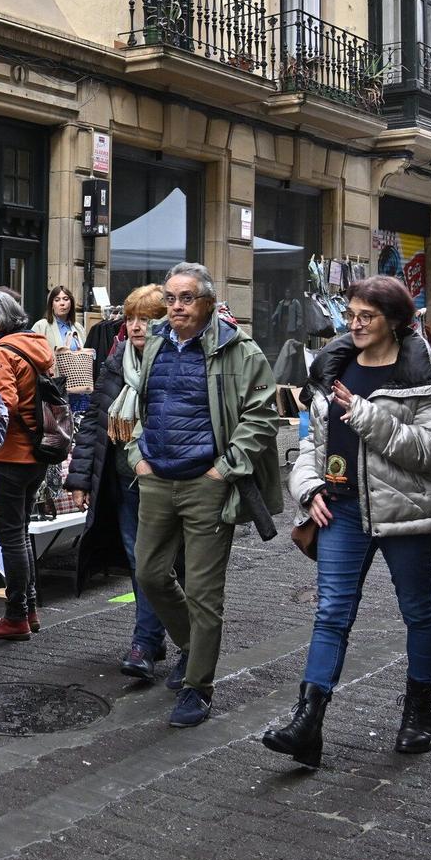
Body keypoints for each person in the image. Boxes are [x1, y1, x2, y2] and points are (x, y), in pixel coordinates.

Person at [264, 275, 431, 769]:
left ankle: (419, 713)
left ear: (395, 320)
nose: (355, 325)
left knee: (417, 610)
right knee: (330, 613)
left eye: (366, 317)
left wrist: (365, 414)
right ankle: (308, 723)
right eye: (351, 316)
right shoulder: (334, 366)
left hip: (403, 512)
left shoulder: (422, 372)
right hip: (341, 510)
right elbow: (312, 445)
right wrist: (308, 489)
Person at [122, 262, 283, 728]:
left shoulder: (238, 348)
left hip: (206, 485)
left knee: (204, 592)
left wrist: (223, 469)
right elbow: (139, 403)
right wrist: (138, 457)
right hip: (156, 479)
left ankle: (198, 687)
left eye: (186, 298)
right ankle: (193, 647)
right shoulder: (153, 342)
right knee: (150, 575)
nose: (176, 307)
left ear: (208, 302)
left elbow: (262, 414)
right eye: (171, 298)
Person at [66, 284, 171, 678]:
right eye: (131, 319)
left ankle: (165, 642)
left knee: (161, 565)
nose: (137, 327)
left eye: (147, 319)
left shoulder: (177, 361)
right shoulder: (116, 359)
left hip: (165, 480)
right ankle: (147, 641)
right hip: (122, 481)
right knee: (138, 561)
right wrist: (80, 479)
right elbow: (94, 420)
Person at [0, 289, 55, 642]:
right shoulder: (34, 344)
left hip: (9, 455)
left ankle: (16, 615)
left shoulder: (1, 354)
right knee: (20, 534)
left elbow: (3, 404)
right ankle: (29, 609)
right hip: (36, 454)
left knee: (11, 538)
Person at [33, 286, 86, 354]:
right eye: (57, 300)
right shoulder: (41, 326)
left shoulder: (79, 328)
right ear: (51, 305)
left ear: (71, 304)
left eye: (66, 299)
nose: (62, 303)